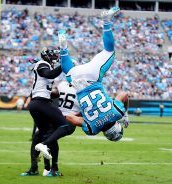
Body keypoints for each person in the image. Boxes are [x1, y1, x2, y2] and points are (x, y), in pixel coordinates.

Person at [55, 6, 129, 143]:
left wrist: (125, 113)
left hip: (93, 78)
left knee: (109, 52)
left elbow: (123, 94)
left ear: (118, 127)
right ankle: (63, 48)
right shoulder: (91, 129)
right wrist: (84, 113)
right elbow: (70, 117)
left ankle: (107, 22)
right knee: (69, 71)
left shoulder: (116, 112)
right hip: (77, 82)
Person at [22, 47, 75, 175]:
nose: (55, 57)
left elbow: (48, 88)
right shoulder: (42, 64)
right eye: (53, 55)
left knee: (40, 135)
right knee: (64, 126)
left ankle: (35, 168)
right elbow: (49, 74)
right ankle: (47, 151)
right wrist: (64, 65)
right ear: (47, 56)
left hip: (37, 103)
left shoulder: (44, 65)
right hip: (41, 103)